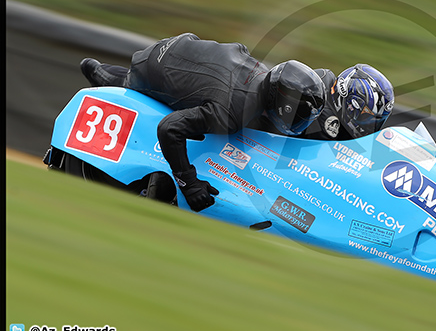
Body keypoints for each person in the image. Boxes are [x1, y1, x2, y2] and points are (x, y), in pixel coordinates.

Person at [80, 32, 326, 212]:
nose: (300, 122)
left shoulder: (263, 74)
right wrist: (189, 183)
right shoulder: (231, 112)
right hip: (156, 64)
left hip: (185, 45)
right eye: (299, 116)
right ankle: (103, 73)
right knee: (174, 110)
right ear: (283, 105)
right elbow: (169, 128)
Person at [301, 64, 394, 141]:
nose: (369, 127)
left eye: (377, 121)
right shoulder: (314, 101)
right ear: (351, 103)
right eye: (366, 116)